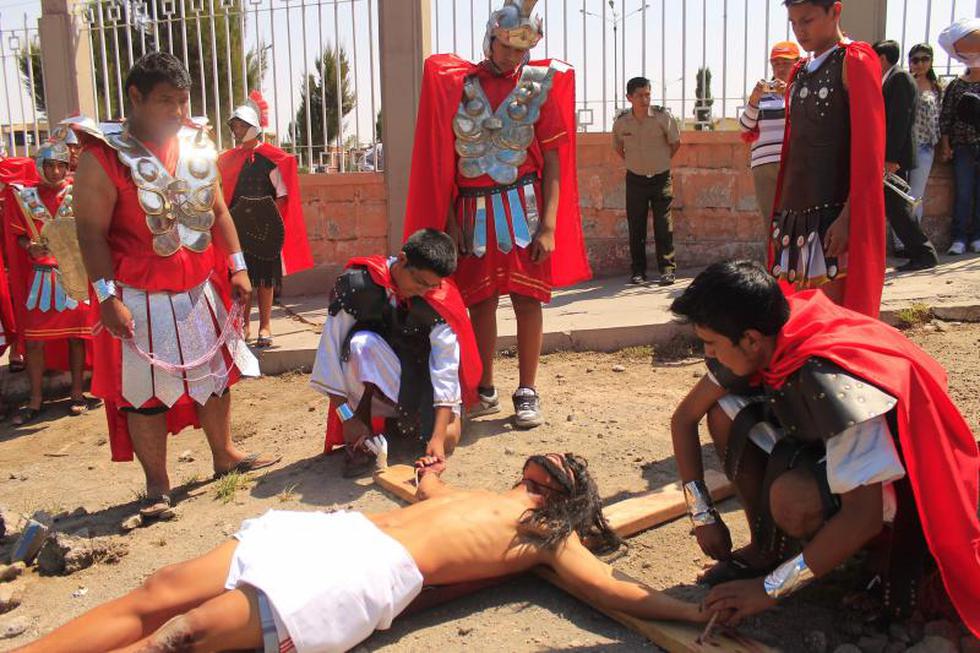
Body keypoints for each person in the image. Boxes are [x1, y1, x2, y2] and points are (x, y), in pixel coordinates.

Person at [18, 453, 712, 653]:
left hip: (361, 572)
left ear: (566, 497)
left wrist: (688, 608)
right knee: (159, 588)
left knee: (182, 634)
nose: (542, 461)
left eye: (556, 466)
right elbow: (430, 488)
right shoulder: (484, 493)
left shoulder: (548, 538)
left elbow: (611, 590)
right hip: (335, 533)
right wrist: (432, 465)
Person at [668, 260, 979, 633]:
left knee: (791, 500)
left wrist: (769, 590)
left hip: (902, 483)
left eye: (711, 344)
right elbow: (685, 418)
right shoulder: (767, 330)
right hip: (832, 448)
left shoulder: (828, 378)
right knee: (722, 414)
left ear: (750, 340)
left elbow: (861, 517)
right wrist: (703, 515)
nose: (709, 355)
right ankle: (766, 549)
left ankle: (876, 558)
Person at [72, 52, 278, 519]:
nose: (177, 112)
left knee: (214, 378)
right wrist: (105, 296)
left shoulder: (194, 142)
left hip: (197, 287)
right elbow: (90, 232)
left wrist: (238, 266)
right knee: (146, 392)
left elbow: (218, 210)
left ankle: (224, 455)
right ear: (135, 97)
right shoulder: (102, 155)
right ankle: (157, 485)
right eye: (166, 101)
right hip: (136, 294)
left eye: (183, 101)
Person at [403, 0, 590, 429]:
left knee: (528, 301)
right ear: (490, 40)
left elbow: (555, 159)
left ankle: (527, 390)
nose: (512, 56)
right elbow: (445, 159)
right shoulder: (457, 84)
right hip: (471, 213)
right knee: (480, 302)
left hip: (523, 208)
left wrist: (548, 224)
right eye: (505, 46)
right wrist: (449, 220)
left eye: (520, 50)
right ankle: (484, 387)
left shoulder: (539, 84)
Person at [310, 229, 481, 477]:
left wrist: (437, 436)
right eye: (420, 282)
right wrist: (347, 418)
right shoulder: (356, 286)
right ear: (402, 260)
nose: (424, 291)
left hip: (422, 383)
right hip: (377, 385)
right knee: (360, 344)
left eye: (432, 286)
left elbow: (445, 369)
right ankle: (363, 430)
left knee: (449, 438)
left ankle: (409, 423)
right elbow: (329, 357)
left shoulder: (438, 297)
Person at [769, 0, 886, 318]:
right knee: (796, 316)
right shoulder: (799, 71)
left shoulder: (854, 61)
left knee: (833, 319)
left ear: (835, 11)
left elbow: (869, 149)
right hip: (795, 215)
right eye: (793, 23)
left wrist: (849, 216)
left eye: (807, 20)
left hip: (832, 216)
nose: (800, 30)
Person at [2, 140, 97, 425]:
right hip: (40, 280)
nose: (56, 171)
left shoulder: (77, 192)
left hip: (72, 274)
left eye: (61, 165)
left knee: (77, 338)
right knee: (33, 342)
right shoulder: (24, 196)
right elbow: (17, 234)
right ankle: (35, 399)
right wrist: (28, 245)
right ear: (40, 166)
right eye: (50, 165)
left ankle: (78, 393)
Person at [218, 91, 313, 347]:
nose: (236, 129)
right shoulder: (227, 160)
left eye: (241, 125)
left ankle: (266, 326)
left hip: (265, 227)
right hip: (238, 227)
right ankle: (244, 324)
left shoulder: (271, 159)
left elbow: (282, 196)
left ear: (253, 128)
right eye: (234, 125)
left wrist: (269, 220)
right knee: (242, 275)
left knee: (266, 279)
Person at [872, 39, 939, 272]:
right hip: (891, 156)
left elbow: (899, 121)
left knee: (897, 208)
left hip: (894, 158)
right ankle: (920, 252)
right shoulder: (893, 78)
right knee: (895, 208)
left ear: (881, 58)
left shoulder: (898, 79)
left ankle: (924, 253)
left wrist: (890, 158)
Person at [612, 76, 681, 286]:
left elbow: (675, 143)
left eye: (648, 94)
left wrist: (659, 162)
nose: (645, 99)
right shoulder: (622, 122)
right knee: (636, 226)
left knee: (663, 225)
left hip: (661, 177)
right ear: (629, 97)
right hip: (635, 179)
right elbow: (618, 148)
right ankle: (638, 271)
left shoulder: (663, 117)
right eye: (640, 95)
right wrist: (636, 163)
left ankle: (667, 270)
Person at [739, 41, 800, 231]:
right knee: (771, 223)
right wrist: (754, 100)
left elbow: (808, 119)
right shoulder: (763, 94)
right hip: (764, 166)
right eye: (776, 63)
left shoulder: (803, 90)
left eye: (785, 62)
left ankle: (797, 261)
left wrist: (789, 95)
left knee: (797, 219)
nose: (780, 68)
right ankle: (774, 261)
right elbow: (745, 127)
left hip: (794, 163)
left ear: (797, 63)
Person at [937, 17, 980, 255]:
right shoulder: (956, 85)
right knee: (963, 194)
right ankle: (959, 238)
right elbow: (946, 117)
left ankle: (977, 236)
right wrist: (945, 145)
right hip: (962, 146)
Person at [904, 43, 944, 254]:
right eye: (915, 60)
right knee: (901, 195)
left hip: (926, 147)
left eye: (924, 59)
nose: (920, 64)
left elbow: (940, 120)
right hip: (905, 146)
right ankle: (904, 242)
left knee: (915, 195)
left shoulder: (937, 87)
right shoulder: (904, 83)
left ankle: (913, 240)